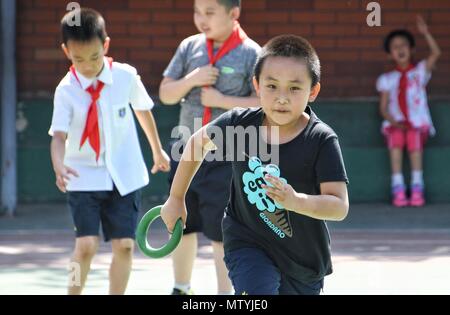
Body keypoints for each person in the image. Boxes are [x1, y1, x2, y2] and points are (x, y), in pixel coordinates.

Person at [161, 34, 349, 295]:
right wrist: (176, 197)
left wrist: (297, 202)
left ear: (313, 91)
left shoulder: (321, 140)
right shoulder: (239, 124)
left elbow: (339, 206)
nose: (282, 98)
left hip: (303, 262)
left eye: (294, 88)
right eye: (272, 86)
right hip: (247, 242)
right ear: (257, 85)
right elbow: (196, 143)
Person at [49, 8, 170, 295]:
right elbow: (58, 137)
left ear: (105, 45)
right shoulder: (66, 90)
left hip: (124, 174)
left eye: (94, 57)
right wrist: (58, 165)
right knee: (86, 246)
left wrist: (157, 151)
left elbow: (143, 113)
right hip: (82, 176)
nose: (88, 65)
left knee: (125, 245)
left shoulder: (126, 77)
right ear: (66, 51)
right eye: (78, 59)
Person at [159, 0, 261, 295]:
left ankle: (224, 293)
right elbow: (165, 93)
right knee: (181, 222)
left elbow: (263, 105)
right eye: (197, 12)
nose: (201, 19)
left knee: (222, 230)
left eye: (210, 13)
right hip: (185, 149)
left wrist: (222, 101)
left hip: (225, 155)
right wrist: (192, 79)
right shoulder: (189, 47)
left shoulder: (251, 53)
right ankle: (181, 287)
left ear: (234, 13)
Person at [377, 15, 441, 207]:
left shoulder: (419, 72)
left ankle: (416, 186)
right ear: (390, 54)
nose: (400, 49)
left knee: (414, 142)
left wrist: (426, 33)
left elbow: (436, 53)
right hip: (396, 122)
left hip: (416, 123)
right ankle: (397, 186)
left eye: (403, 45)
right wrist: (393, 121)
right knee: (395, 142)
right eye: (395, 47)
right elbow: (383, 107)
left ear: (411, 49)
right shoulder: (387, 78)